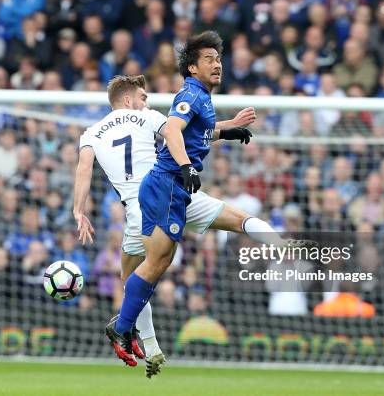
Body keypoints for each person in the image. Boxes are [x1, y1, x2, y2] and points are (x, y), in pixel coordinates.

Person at [104, 31, 313, 368]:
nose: (217, 64)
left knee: (233, 220)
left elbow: (198, 131)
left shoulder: (201, 96)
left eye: (218, 59)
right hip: (168, 185)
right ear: (191, 68)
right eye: (208, 60)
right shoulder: (189, 93)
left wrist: (228, 130)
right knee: (156, 264)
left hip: (175, 189)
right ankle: (123, 326)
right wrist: (186, 166)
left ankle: (282, 244)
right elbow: (173, 130)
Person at [74, 73, 256, 377]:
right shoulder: (146, 117)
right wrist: (229, 126)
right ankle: (125, 329)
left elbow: (83, 171)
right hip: (160, 197)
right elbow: (188, 134)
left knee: (132, 277)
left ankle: (150, 346)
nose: (147, 101)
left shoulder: (91, 133)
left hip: (134, 212)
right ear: (129, 100)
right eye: (143, 97)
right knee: (149, 273)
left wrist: (78, 210)